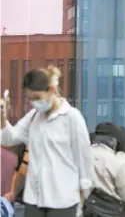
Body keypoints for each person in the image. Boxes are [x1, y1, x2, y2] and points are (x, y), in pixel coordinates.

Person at [0, 66, 93, 217]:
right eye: (30, 98)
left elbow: (85, 160)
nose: (33, 103)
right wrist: (2, 119)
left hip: (63, 199)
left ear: (51, 90)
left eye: (37, 97)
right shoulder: (34, 116)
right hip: (34, 198)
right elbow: (9, 138)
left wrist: (81, 199)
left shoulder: (72, 117)